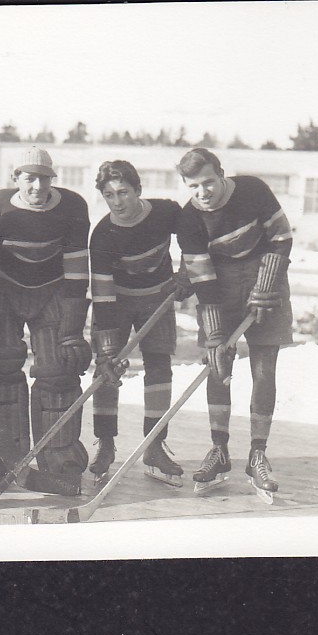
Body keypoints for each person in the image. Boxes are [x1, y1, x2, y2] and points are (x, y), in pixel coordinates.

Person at [0, 145, 91, 496]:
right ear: (16, 179)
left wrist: (72, 331)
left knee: (59, 370)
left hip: (52, 291)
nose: (37, 187)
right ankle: (3, 457)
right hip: (5, 291)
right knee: (2, 367)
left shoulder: (73, 207)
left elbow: (76, 275)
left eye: (44, 179)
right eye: (29, 179)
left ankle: (60, 461)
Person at [176, 147, 294, 498]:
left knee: (263, 368)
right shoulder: (188, 219)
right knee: (217, 366)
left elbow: (282, 237)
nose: (203, 193)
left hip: (265, 278)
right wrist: (214, 335)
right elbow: (204, 281)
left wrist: (266, 284)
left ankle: (258, 453)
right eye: (193, 186)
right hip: (220, 285)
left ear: (221, 173)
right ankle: (219, 451)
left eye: (209, 182)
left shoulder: (253, 190)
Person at [89, 159, 190, 486]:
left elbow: (194, 236)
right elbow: (102, 294)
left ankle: (155, 446)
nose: (117, 202)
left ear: (138, 190)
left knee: (159, 367)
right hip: (116, 301)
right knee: (107, 369)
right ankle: (105, 443)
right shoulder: (103, 234)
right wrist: (105, 349)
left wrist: (187, 271)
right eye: (109, 195)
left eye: (123, 192)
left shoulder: (166, 212)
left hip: (157, 298)